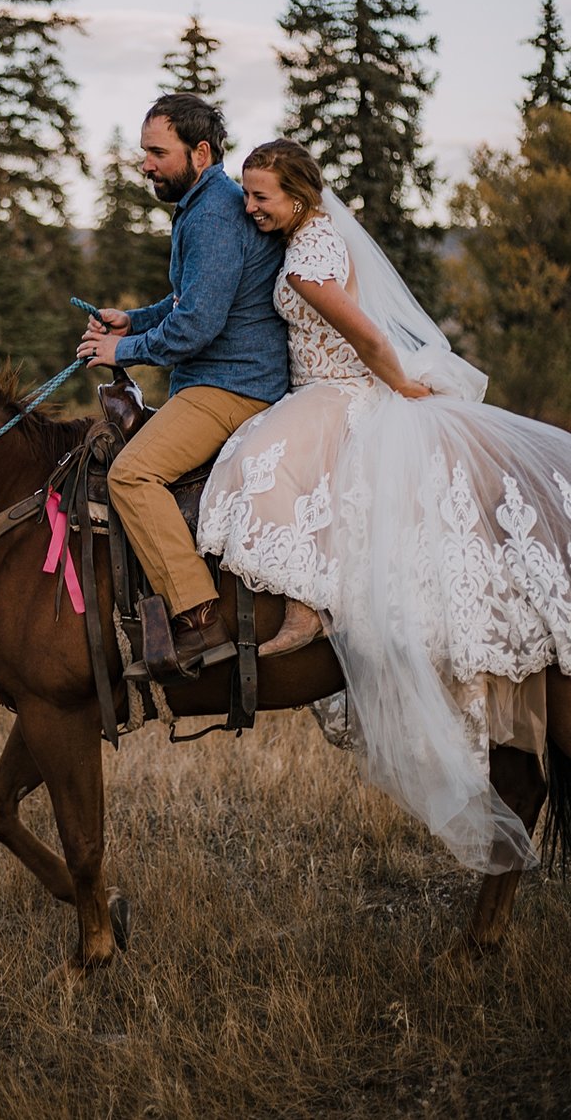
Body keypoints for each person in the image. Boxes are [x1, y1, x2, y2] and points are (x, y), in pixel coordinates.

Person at [197, 137, 571, 872]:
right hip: (335, 389)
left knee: (258, 475)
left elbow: (365, 333)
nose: (250, 206)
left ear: (299, 197)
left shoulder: (307, 261)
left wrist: (397, 384)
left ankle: (307, 610)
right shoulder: (319, 235)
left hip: (338, 395)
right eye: (246, 192)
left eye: (261, 195)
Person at [77, 93, 289, 678]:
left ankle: (199, 624)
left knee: (132, 473)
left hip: (233, 386)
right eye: (144, 152)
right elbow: (187, 302)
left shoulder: (215, 213)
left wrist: (122, 351)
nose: (145, 164)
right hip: (216, 379)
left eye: (156, 153)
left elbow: (197, 325)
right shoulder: (203, 205)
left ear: (200, 152)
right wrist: (135, 320)